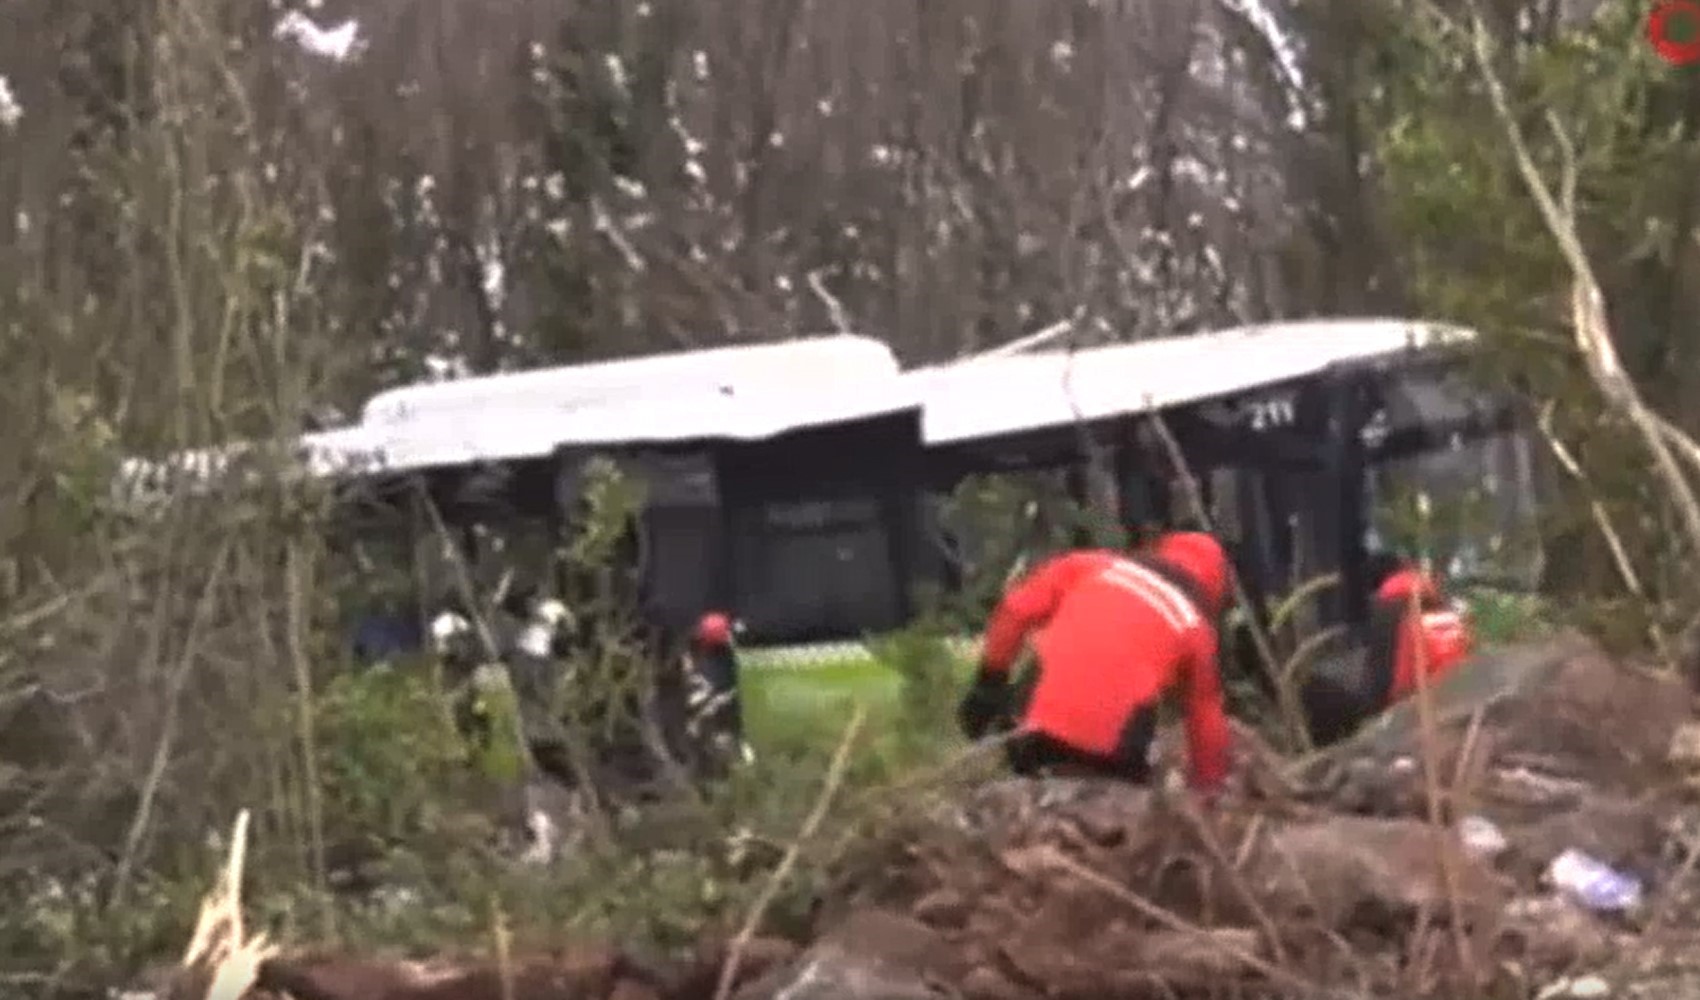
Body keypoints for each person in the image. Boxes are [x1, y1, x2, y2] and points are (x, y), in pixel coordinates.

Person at [956, 531, 1234, 793]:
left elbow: (1015, 612)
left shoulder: (1089, 566)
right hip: (1112, 759)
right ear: (1211, 590)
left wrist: (988, 684)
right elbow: (1206, 722)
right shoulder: (1195, 628)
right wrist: (1209, 790)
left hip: (1032, 730)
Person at [1300, 552, 1475, 746]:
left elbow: (1380, 683)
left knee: (1317, 687)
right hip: (1454, 699)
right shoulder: (1441, 601)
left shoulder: (1388, 604)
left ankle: (1332, 755)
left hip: (1409, 706)